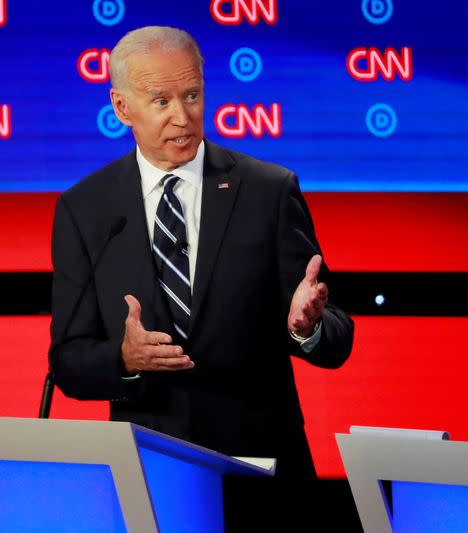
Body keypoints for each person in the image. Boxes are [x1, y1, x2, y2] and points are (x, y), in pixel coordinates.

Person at [49, 26, 354, 479]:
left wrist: (306, 329)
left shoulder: (268, 192)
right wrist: (124, 359)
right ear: (121, 107)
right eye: (161, 101)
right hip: (150, 470)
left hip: (264, 466)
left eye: (192, 95)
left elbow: (337, 336)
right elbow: (67, 362)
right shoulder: (86, 209)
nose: (182, 116)